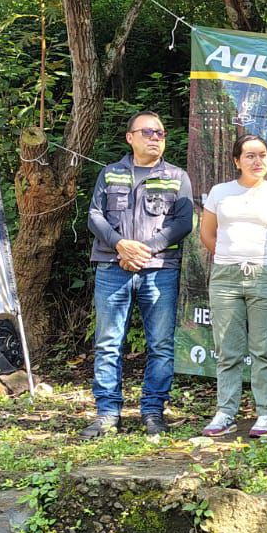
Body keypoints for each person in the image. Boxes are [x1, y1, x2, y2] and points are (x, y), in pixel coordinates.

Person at [82, 110, 194, 439]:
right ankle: (107, 414)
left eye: (160, 133)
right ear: (130, 137)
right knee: (107, 343)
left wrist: (145, 249)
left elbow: (183, 223)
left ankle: (153, 412)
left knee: (160, 345)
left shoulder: (177, 176)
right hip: (112, 266)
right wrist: (120, 246)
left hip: (159, 270)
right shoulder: (110, 173)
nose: (156, 137)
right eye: (148, 132)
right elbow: (94, 216)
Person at [197, 134, 267, 439]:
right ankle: (225, 413)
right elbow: (207, 234)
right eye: (250, 156)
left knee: (264, 349)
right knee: (227, 349)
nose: (257, 162)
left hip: (265, 276)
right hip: (225, 277)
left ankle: (266, 414)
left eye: (262, 155)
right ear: (236, 161)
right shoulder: (220, 192)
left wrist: (265, 261)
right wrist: (231, 258)